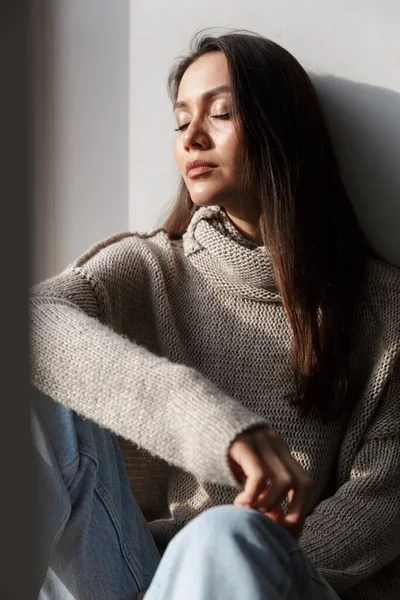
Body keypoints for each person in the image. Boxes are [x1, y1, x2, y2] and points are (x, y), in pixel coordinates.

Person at [30, 30, 400, 600]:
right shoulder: (149, 267)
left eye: (221, 113)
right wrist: (216, 428)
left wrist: (239, 555)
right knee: (35, 401)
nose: (192, 137)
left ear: (281, 127)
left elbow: (379, 513)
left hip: (285, 583)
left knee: (228, 534)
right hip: (136, 579)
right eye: (180, 123)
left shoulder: (382, 310)